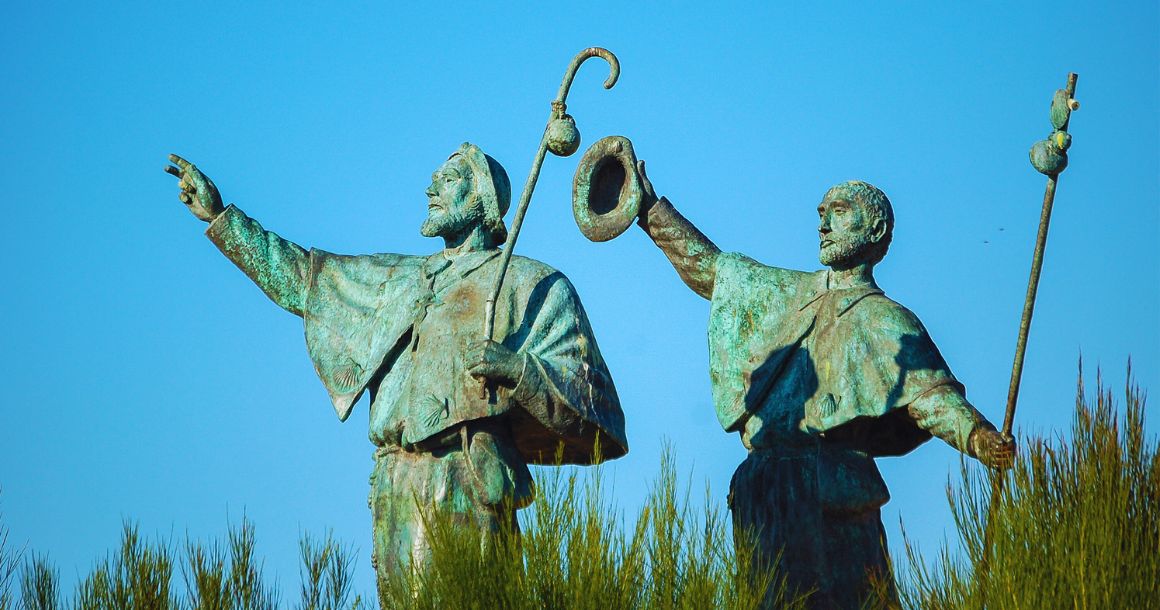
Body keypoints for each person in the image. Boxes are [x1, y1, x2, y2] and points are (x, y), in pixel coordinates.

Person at [165, 143, 627, 595]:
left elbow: (595, 400)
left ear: (483, 199)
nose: (431, 188)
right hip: (394, 481)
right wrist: (223, 220)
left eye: (447, 180)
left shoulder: (531, 284)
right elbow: (306, 280)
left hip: (465, 471)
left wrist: (519, 369)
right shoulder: (398, 278)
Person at [632, 164, 1013, 608]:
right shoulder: (786, 294)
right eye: (821, 212)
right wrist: (649, 210)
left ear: (876, 229)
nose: (823, 223)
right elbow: (714, 272)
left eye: (838, 211)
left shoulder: (887, 320)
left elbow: (931, 398)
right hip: (766, 489)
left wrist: (981, 438)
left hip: (832, 489)